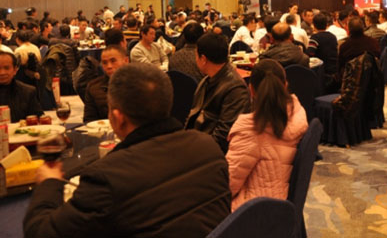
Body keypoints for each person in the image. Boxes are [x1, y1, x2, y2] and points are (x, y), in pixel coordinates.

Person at [24, 63, 231, 238]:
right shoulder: (208, 146)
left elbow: (40, 232)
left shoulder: (107, 176)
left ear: (118, 118)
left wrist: (49, 183)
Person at [226, 59, 308, 211]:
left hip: (253, 210)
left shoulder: (252, 129)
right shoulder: (297, 113)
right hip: (279, 201)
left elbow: (228, 186)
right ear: (285, 85)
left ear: (251, 90)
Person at [186, 33, 251, 154]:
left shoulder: (235, 89)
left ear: (203, 59)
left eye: (196, 56)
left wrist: (194, 152)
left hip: (213, 154)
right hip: (198, 142)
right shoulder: (207, 80)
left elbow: (224, 136)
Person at [83, 46, 129, 123]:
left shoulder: (138, 84)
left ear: (126, 60)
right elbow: (89, 120)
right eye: (104, 63)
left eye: (113, 61)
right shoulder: (94, 87)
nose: (109, 66)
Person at [0, 51, 43, 122]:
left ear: (15, 70)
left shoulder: (28, 92)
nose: (2, 73)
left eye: (7, 68)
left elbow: (39, 121)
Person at [307, 13, 339, 92]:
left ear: (314, 25)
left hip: (322, 73)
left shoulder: (315, 38)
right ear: (326, 24)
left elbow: (310, 54)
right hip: (335, 71)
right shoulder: (333, 36)